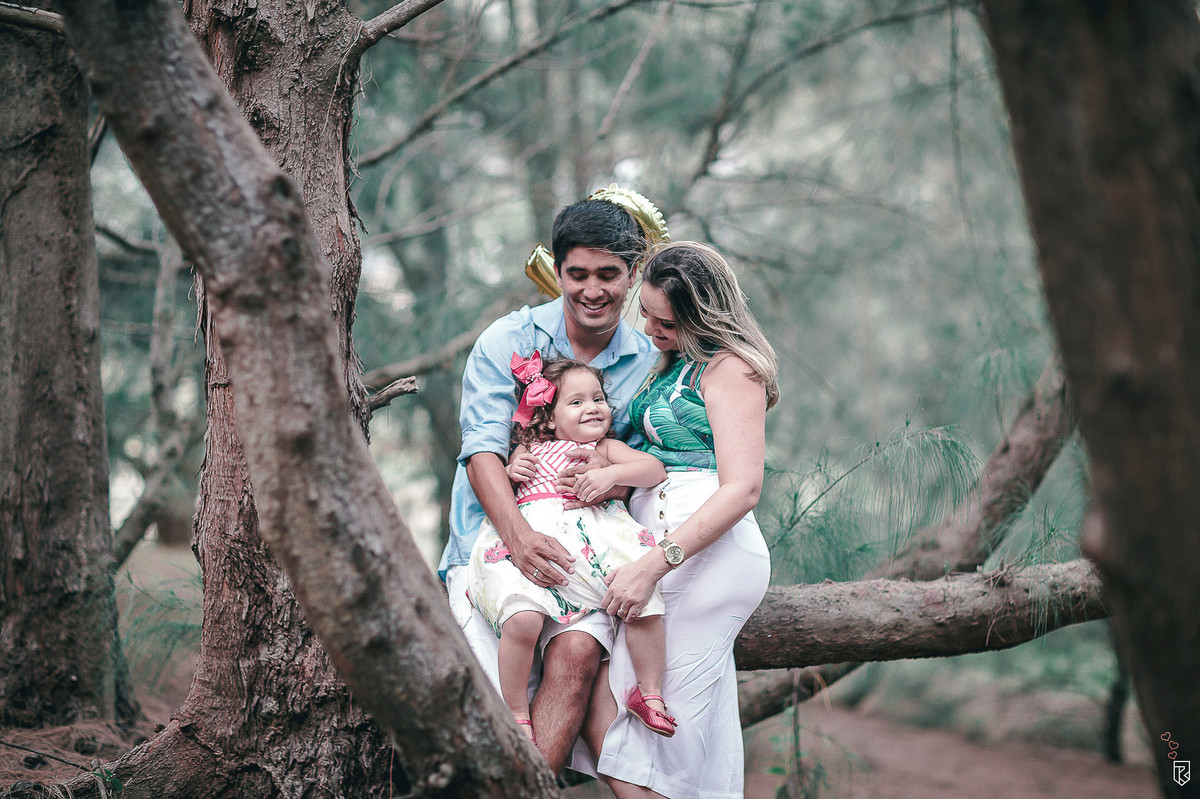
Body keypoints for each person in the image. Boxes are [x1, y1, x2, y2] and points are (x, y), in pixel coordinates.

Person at [437, 189, 665, 772]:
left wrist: (602, 478)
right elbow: (482, 449)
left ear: (632, 274)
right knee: (489, 706)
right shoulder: (508, 341)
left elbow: (635, 464)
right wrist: (517, 538)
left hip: (588, 559)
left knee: (580, 657)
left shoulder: (645, 359)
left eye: (610, 274)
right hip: (496, 544)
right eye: (579, 273)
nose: (593, 290)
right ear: (557, 270)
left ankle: (535, 785)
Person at [580, 241, 780, 798]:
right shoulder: (671, 365)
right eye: (644, 312)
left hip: (703, 559)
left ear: (702, 316)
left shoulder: (732, 369)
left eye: (664, 321)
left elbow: (742, 489)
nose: (648, 328)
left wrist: (654, 564)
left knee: (639, 729)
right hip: (658, 552)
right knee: (688, 745)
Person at [467, 354, 676, 746]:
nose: (593, 407)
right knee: (522, 620)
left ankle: (649, 692)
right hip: (537, 555)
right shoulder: (528, 451)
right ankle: (515, 711)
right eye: (576, 402)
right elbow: (501, 492)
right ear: (548, 417)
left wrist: (610, 473)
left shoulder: (607, 449)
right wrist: (512, 472)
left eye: (598, 399)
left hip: (593, 556)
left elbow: (655, 470)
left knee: (642, 602)